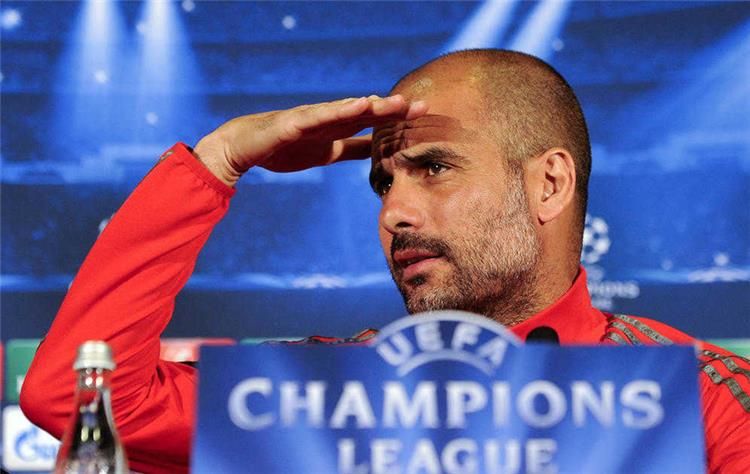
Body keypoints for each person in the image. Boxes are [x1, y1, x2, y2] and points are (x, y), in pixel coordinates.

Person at [20, 50, 749, 473]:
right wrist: (218, 160)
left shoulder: (703, 399)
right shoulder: (324, 394)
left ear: (549, 184)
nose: (394, 213)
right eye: (383, 184)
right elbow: (77, 395)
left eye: (434, 168)